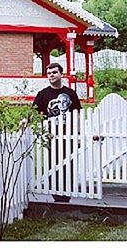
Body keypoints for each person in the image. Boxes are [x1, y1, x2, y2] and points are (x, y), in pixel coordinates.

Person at [32, 63, 81, 202]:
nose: (51, 75)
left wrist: (77, 134)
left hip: (69, 135)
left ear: (61, 74)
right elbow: (34, 112)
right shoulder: (43, 94)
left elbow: (77, 114)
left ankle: (67, 194)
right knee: (54, 164)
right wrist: (26, 121)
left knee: (68, 164)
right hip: (51, 136)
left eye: (54, 72)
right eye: (49, 73)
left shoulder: (71, 93)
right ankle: (56, 194)